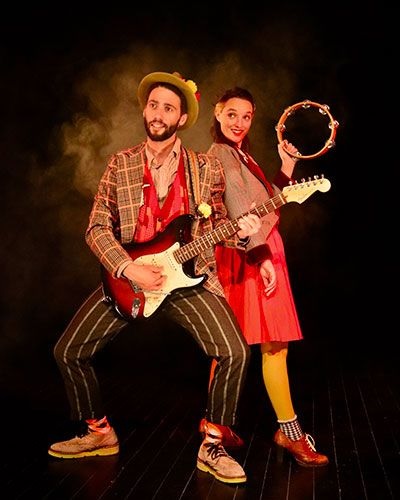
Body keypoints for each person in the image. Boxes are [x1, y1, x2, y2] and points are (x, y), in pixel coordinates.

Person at [47, 72, 263, 485]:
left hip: (187, 279)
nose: (158, 114)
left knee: (234, 351)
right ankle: (98, 432)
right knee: (68, 351)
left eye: (168, 108)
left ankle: (213, 443)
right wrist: (127, 267)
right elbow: (96, 227)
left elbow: (219, 225)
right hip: (130, 278)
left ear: (182, 118)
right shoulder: (120, 164)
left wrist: (244, 230)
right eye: (153, 105)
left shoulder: (204, 168)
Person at [200, 87, 329, 467]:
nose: (239, 123)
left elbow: (266, 206)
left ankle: (215, 426)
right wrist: (260, 255)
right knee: (268, 345)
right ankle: (286, 433)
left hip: (260, 252)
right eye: (232, 114)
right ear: (218, 113)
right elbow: (241, 211)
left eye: (247, 116)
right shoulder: (220, 155)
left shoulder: (241, 155)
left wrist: (286, 166)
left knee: (231, 347)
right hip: (251, 257)